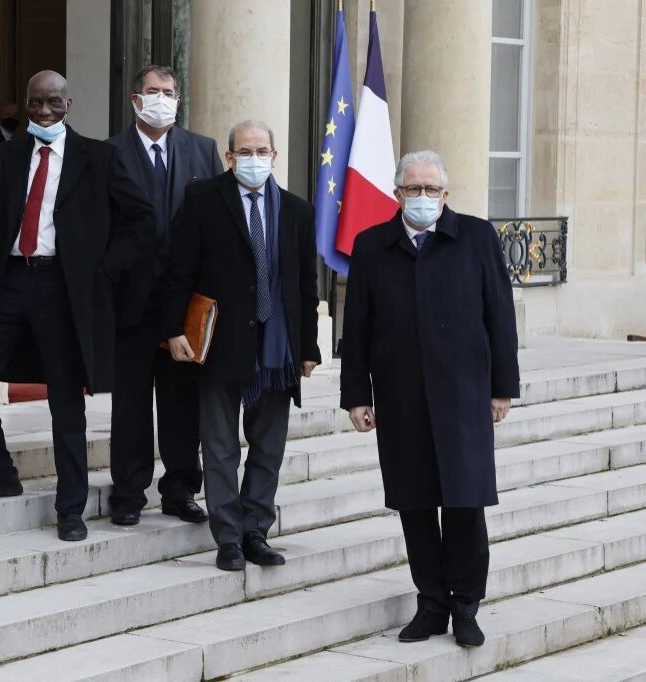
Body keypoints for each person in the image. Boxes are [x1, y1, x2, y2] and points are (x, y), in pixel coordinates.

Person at [0, 70, 155, 542]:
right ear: (25, 105)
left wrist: (102, 269)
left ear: (70, 104)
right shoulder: (4, 157)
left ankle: (71, 509)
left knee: (65, 401)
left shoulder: (99, 157)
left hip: (63, 292)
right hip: (8, 283)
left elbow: (141, 221)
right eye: (35, 103)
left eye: (53, 103)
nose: (44, 112)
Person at [339, 150, 520, 648]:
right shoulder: (373, 245)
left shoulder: (477, 237)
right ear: (397, 194)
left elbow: (499, 316)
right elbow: (356, 328)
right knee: (415, 503)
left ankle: (466, 606)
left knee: (464, 504)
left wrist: (502, 386)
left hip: (464, 395)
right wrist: (356, 394)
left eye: (432, 189)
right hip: (401, 397)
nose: (423, 198)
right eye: (413, 189)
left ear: (447, 193)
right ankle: (431, 604)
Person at [165, 120, 321, 571]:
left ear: (275, 156)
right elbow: (180, 270)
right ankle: (228, 538)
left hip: (278, 350)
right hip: (220, 345)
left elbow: (306, 285)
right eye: (244, 151)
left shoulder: (297, 210)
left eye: (262, 151)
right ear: (229, 157)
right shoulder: (203, 200)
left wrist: (308, 346)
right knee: (219, 446)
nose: (254, 159)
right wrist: (175, 329)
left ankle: (255, 529)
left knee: (268, 447)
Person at [106, 65, 224, 527]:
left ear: (179, 98)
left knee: (181, 401)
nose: (161, 98)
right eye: (152, 91)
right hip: (131, 305)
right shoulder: (108, 152)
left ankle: (179, 489)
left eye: (169, 92)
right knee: (131, 402)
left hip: (185, 304)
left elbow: (215, 224)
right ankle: (129, 493)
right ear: (136, 99)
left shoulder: (203, 150)